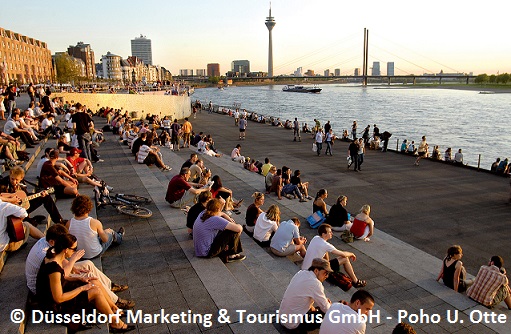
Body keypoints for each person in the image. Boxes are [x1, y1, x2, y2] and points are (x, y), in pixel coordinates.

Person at [35, 233, 135, 332]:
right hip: (55, 306)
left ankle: (114, 309)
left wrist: (80, 279)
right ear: (66, 250)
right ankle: (115, 323)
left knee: (93, 281)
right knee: (95, 291)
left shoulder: (53, 253)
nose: (75, 251)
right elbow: (59, 298)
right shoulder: (54, 268)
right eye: (74, 249)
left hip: (59, 290)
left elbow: (62, 277)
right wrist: (81, 288)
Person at [25, 224, 134, 309]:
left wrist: (74, 267)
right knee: (89, 276)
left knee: (88, 264)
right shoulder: (45, 254)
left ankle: (109, 286)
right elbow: (61, 274)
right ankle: (115, 301)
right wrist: (72, 261)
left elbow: (62, 262)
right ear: (53, 242)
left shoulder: (49, 244)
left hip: (53, 277)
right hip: (43, 287)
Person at [302, 224, 366, 288]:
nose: (331, 233)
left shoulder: (315, 238)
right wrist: (351, 254)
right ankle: (356, 281)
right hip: (313, 271)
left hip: (305, 268)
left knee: (340, 259)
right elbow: (342, 254)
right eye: (329, 232)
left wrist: (327, 263)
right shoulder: (325, 245)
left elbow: (325, 252)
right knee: (345, 259)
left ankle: (355, 281)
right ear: (324, 234)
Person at [279, 258, 333, 331]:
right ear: (316, 271)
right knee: (327, 314)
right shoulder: (316, 284)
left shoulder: (301, 273)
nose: (327, 276)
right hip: (293, 324)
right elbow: (326, 309)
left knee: (319, 305)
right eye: (325, 273)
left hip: (282, 318)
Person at [0, 166, 67, 225]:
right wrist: (11, 199)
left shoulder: (21, 183)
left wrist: (39, 194)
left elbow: (25, 196)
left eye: (17, 180)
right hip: (8, 211)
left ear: (21, 178)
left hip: (21, 206)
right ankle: (31, 220)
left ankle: (58, 220)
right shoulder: (3, 183)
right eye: (12, 179)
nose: (14, 181)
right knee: (31, 224)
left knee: (46, 197)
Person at [67, 195, 124, 259]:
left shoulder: (69, 223)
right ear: (89, 208)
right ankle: (119, 237)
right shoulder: (94, 222)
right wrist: (106, 232)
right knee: (111, 232)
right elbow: (105, 240)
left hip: (79, 256)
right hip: (95, 253)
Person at [193, 198, 246, 263]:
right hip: (207, 252)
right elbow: (239, 229)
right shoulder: (215, 219)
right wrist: (233, 223)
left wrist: (226, 217)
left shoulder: (203, 213)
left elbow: (221, 213)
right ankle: (231, 255)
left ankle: (228, 249)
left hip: (200, 250)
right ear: (218, 209)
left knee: (227, 228)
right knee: (233, 231)